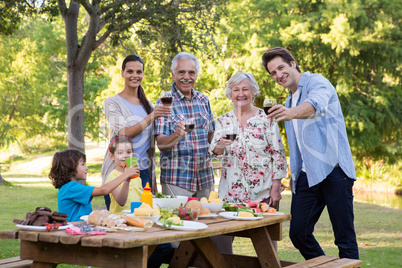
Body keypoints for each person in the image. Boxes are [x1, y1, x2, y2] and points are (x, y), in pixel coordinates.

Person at [261, 47, 359, 260]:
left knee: (344, 238)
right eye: (273, 73)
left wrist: (289, 113)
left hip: (334, 171)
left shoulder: (317, 82)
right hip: (306, 175)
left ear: (293, 63)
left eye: (281, 68)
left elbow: (316, 106)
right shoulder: (289, 99)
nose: (278, 75)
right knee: (299, 233)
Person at [101, 55, 171, 209]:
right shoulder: (112, 103)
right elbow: (124, 134)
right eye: (130, 71)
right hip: (119, 171)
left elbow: (153, 144)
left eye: (139, 72)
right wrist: (152, 116)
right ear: (122, 73)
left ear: (143, 74)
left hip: (143, 172)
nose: (135, 75)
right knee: (118, 218)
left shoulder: (148, 106)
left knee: (143, 219)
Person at [210, 72, 287, 208]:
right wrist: (221, 144)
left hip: (263, 194)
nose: (241, 94)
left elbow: (278, 155)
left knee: (266, 230)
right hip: (231, 196)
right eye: (236, 90)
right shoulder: (223, 121)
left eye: (245, 89)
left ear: (253, 92)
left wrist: (275, 188)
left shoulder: (267, 118)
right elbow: (215, 152)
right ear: (230, 94)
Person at [155, 52, 216, 199]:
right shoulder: (165, 102)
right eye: (181, 72)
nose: (187, 77)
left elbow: (211, 135)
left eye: (191, 73)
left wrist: (220, 144)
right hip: (177, 181)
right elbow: (161, 145)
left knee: (208, 220)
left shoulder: (203, 100)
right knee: (177, 221)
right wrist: (177, 134)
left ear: (196, 75)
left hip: (205, 179)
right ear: (173, 74)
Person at [49, 149, 139, 222]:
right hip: (74, 233)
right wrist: (125, 174)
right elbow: (103, 190)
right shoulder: (71, 188)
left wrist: (127, 178)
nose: (86, 167)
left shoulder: (70, 187)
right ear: (70, 168)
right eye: (83, 164)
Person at [105, 135, 142, 215]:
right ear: (111, 156)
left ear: (133, 153)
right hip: (119, 220)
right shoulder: (113, 176)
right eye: (120, 152)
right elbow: (121, 202)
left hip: (136, 218)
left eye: (128, 152)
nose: (125, 155)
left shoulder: (136, 175)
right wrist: (127, 179)